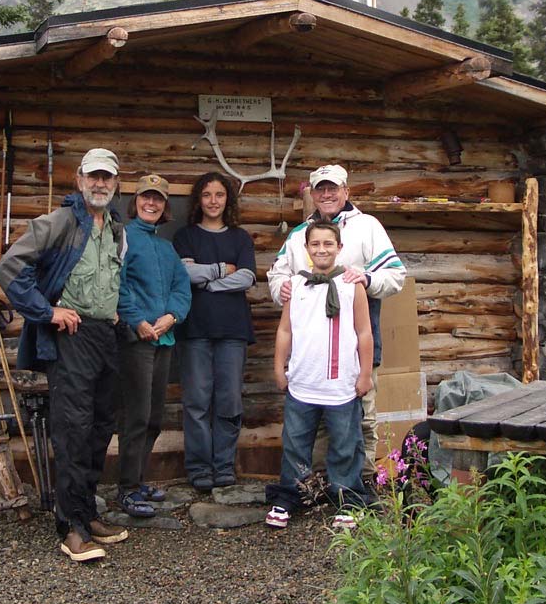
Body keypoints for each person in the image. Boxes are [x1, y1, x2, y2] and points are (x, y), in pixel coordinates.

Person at [0, 147, 131, 563]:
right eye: (93, 177)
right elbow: (10, 267)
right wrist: (45, 311)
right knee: (73, 428)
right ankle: (71, 528)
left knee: (101, 426)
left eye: (107, 177)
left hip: (105, 336)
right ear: (79, 180)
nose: (100, 184)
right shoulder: (60, 222)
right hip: (70, 337)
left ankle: (87, 515)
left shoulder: (116, 230)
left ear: (115, 183)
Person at [267, 164, 406, 462]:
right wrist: (282, 289)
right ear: (312, 194)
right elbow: (277, 274)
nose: (327, 194)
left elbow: (396, 276)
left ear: (346, 191)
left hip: (356, 342)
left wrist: (367, 280)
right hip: (309, 349)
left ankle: (361, 482)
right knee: (312, 422)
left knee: (362, 414)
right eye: (321, 189)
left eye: (333, 188)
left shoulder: (367, 226)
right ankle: (316, 487)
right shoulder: (298, 235)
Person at [265, 221, 374, 530]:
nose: (322, 249)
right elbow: (285, 330)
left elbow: (364, 333)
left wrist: (365, 375)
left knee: (344, 445)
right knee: (296, 444)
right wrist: (279, 367)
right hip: (303, 383)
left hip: (341, 386)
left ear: (339, 248)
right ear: (307, 248)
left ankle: (348, 498)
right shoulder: (296, 286)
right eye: (315, 244)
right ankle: (291, 495)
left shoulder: (353, 285)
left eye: (328, 244)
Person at [172, 172, 257, 492]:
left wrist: (205, 281)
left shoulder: (240, 238)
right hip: (194, 329)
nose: (213, 201)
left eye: (219, 194)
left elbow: (247, 278)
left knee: (229, 401)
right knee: (196, 402)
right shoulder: (185, 236)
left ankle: (223, 465)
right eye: (206, 194)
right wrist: (222, 270)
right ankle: (198, 468)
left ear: (227, 200)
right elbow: (183, 273)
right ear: (198, 200)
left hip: (233, 331)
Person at [115, 174, 192, 518]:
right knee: (136, 415)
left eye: (158, 199)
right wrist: (138, 321)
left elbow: (181, 287)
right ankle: (127, 489)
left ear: (165, 206)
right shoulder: (124, 238)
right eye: (146, 197)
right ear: (136, 202)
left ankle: (138, 478)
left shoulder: (165, 246)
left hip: (164, 337)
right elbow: (117, 284)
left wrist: (172, 316)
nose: (152, 203)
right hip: (136, 340)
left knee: (154, 417)